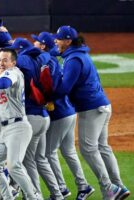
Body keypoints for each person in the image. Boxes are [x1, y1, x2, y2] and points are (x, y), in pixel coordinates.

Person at [53, 25, 130, 200]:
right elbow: (57, 52)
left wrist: (47, 92)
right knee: (102, 147)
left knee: (88, 149)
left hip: (91, 109)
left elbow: (64, 88)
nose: (55, 41)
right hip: (102, 105)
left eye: (58, 39)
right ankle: (118, 186)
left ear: (67, 41)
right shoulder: (79, 54)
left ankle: (109, 189)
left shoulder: (74, 60)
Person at [32, 31, 94, 199]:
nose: (34, 44)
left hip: (59, 113)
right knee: (68, 151)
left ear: (43, 45)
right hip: (69, 112)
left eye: (36, 42)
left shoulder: (45, 63)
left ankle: (61, 188)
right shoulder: (50, 58)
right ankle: (83, 186)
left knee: (47, 153)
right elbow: (52, 51)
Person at [0, 49, 39, 200]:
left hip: (18, 127)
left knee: (14, 166)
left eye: (5, 60)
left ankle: (33, 196)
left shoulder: (14, 73)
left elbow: (3, 82)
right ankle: (8, 197)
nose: (1, 63)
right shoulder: (4, 72)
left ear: (13, 63)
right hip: (5, 129)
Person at [6, 38, 64, 199]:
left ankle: (34, 195)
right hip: (43, 116)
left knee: (26, 161)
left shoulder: (23, 60)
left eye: (15, 50)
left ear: (20, 50)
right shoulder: (42, 58)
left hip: (30, 117)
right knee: (40, 158)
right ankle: (58, 194)